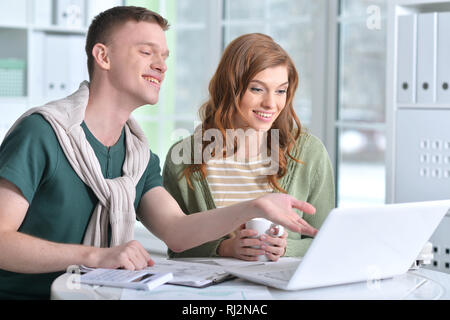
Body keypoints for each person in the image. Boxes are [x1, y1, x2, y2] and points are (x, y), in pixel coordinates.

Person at [0, 7, 317, 300]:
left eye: (164, 56)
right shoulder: (42, 134)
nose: (161, 65)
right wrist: (96, 257)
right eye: (146, 52)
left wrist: (254, 206)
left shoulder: (137, 156)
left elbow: (177, 232)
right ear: (103, 57)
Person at [163, 33, 335, 262]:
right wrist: (225, 247)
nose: (271, 104)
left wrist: (285, 249)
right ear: (230, 88)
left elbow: (326, 243)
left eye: (280, 91)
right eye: (257, 89)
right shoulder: (184, 157)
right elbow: (176, 246)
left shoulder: (309, 153)